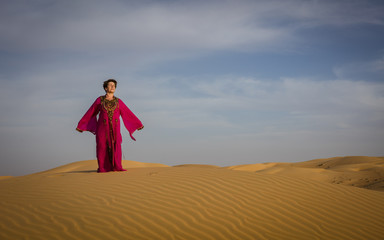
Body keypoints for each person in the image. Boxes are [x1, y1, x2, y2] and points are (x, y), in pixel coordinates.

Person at [76, 79, 144, 172]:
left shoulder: (118, 101)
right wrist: (81, 124)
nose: (112, 87)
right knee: (102, 146)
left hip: (115, 128)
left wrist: (138, 124)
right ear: (105, 88)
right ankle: (103, 168)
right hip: (102, 128)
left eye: (114, 85)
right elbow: (90, 112)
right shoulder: (99, 100)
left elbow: (128, 113)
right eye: (110, 85)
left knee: (116, 145)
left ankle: (116, 167)